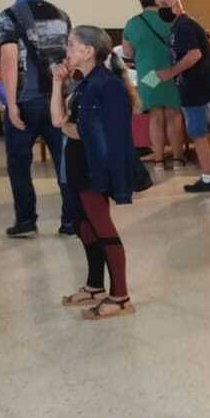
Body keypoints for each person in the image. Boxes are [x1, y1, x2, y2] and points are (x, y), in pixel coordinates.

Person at [49, 26, 139, 320]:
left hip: (93, 168)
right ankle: (95, 286)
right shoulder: (83, 83)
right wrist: (56, 83)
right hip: (76, 165)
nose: (67, 51)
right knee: (82, 225)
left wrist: (76, 130)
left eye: (72, 45)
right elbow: (59, 121)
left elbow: (106, 132)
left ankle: (121, 296)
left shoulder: (107, 84)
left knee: (102, 228)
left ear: (89, 51)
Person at [0, 0, 75, 238]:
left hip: (26, 100)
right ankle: (71, 220)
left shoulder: (9, 16)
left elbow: (8, 60)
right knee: (65, 160)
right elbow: (69, 57)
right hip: (57, 99)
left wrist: (11, 103)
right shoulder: (61, 15)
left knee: (19, 163)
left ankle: (26, 220)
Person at [153, 0, 210, 194]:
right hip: (204, 83)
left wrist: (170, 72)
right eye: (157, 5)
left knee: (198, 133)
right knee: (206, 130)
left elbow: (194, 54)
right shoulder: (183, 25)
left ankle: (207, 177)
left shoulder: (184, 26)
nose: (160, 9)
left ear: (176, 5)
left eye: (164, 4)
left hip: (196, 86)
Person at [122, 0, 185, 171]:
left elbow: (127, 52)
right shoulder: (170, 18)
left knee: (155, 116)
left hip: (148, 74)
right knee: (174, 114)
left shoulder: (133, 23)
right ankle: (177, 158)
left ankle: (158, 160)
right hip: (172, 70)